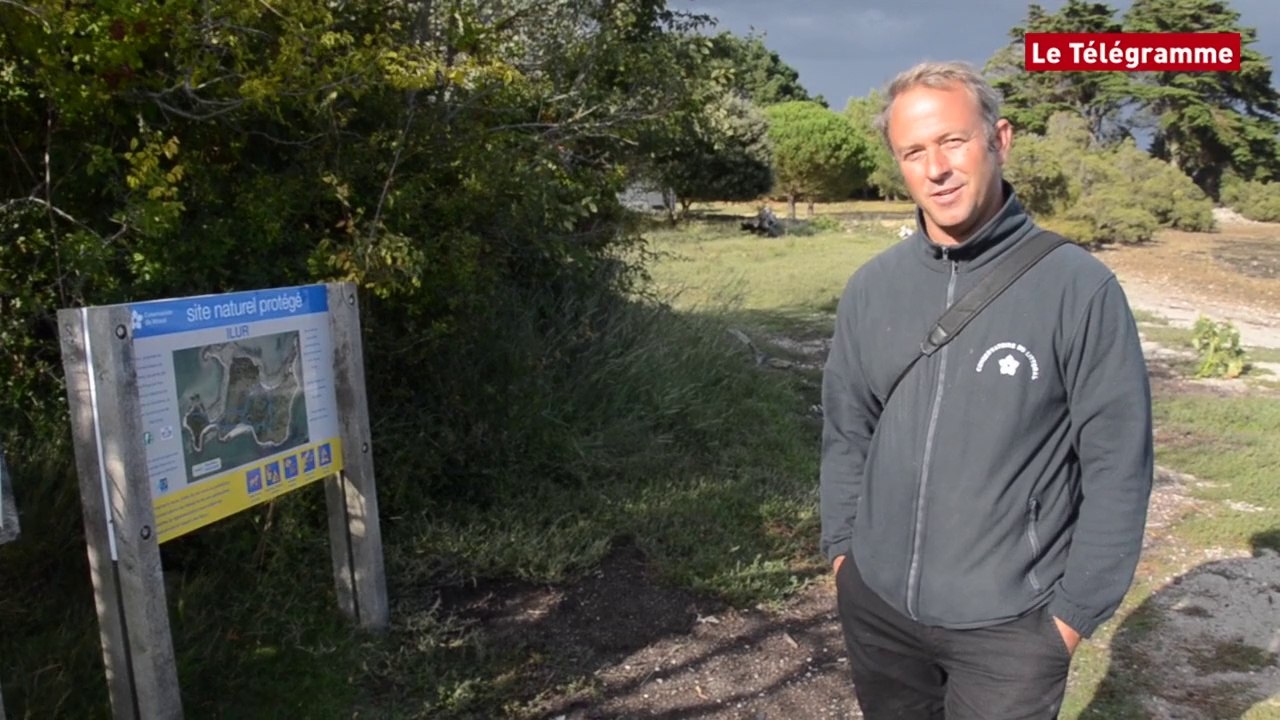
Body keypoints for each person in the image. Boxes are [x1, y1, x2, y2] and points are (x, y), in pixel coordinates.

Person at [819, 60, 1153, 719]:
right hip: (879, 612)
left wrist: (1068, 620)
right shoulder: (871, 288)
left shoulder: (1080, 289)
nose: (936, 169)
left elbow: (1119, 468)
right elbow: (846, 429)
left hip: (1011, 631)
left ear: (999, 140)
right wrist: (843, 558)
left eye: (952, 141)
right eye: (913, 152)